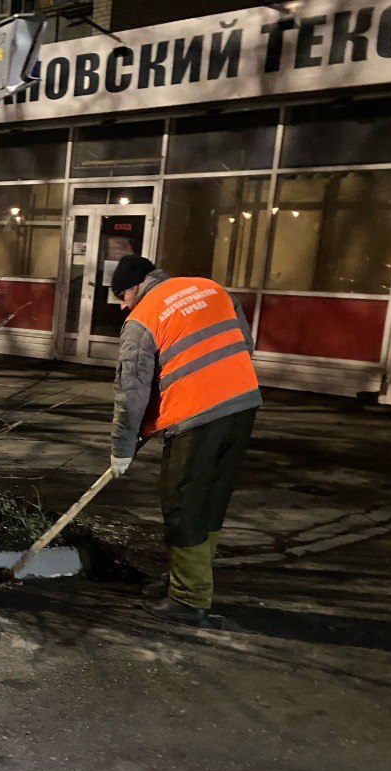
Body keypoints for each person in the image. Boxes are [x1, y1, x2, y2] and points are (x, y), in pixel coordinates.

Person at [107, 255, 262, 627]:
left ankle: (188, 599)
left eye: (121, 298)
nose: (123, 306)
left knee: (183, 503)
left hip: (196, 418)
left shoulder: (141, 319)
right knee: (210, 499)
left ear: (133, 288)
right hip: (243, 406)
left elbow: (131, 391)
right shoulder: (213, 289)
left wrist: (122, 448)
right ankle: (187, 582)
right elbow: (245, 344)